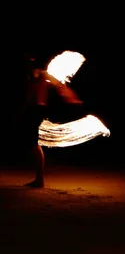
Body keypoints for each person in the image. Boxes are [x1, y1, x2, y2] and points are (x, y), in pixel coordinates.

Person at [20, 53, 83, 188]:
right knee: (31, 144)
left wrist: (69, 97)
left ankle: (39, 179)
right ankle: (39, 179)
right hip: (33, 110)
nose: (28, 64)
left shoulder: (39, 73)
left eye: (30, 61)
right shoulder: (31, 76)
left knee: (33, 144)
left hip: (36, 110)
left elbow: (58, 84)